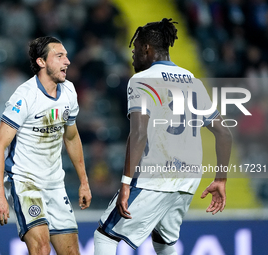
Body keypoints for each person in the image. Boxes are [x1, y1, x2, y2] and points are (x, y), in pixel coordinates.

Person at [94, 18, 232, 255]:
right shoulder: (192, 81)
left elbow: (138, 133)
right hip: (187, 179)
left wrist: (125, 183)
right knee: (164, 242)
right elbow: (223, 132)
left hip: (155, 176)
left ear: (147, 48)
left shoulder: (141, 80)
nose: (133, 55)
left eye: (135, 48)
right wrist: (221, 179)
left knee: (104, 236)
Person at [0, 36, 92, 255]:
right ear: (41, 62)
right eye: (60, 56)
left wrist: (84, 181)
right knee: (41, 248)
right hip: (25, 182)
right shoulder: (24, 97)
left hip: (55, 184)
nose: (67, 61)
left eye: (66, 55)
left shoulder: (69, 92)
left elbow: (72, 137)